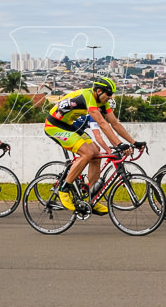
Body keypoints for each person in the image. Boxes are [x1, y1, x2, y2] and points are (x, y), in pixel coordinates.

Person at [44, 77, 145, 212]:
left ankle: (93, 198)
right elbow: (103, 124)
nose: (110, 97)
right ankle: (64, 189)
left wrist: (134, 142)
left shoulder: (103, 102)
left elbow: (115, 123)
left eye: (112, 95)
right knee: (88, 152)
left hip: (69, 125)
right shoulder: (88, 96)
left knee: (96, 154)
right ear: (98, 91)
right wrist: (119, 144)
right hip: (54, 125)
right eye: (108, 94)